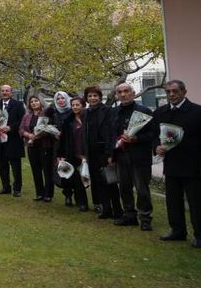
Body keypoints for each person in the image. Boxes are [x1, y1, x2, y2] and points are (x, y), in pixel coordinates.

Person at [154, 79, 201, 248]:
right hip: (171, 165)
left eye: (175, 91)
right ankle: (177, 231)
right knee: (173, 201)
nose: (171, 95)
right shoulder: (160, 113)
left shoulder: (197, 111)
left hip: (193, 165)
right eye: (168, 92)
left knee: (196, 203)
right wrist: (156, 147)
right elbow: (154, 136)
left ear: (184, 92)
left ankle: (199, 235)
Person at [111, 82, 156, 230]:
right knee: (124, 187)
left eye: (126, 91)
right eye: (120, 92)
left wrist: (136, 139)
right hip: (120, 155)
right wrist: (110, 153)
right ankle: (129, 215)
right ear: (117, 95)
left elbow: (153, 134)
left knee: (142, 189)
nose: (123, 94)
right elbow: (109, 134)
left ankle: (145, 218)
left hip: (139, 156)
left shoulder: (145, 111)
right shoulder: (114, 112)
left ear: (133, 93)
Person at [83, 85, 121, 220]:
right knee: (98, 182)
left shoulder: (108, 111)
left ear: (100, 97)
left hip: (104, 151)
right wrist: (85, 153)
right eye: (90, 96)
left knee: (110, 181)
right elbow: (84, 134)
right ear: (86, 98)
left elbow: (112, 133)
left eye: (95, 96)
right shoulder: (85, 112)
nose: (92, 98)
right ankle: (106, 209)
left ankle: (118, 211)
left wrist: (110, 154)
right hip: (92, 152)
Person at [0, 84, 25, 197]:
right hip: (0, 141)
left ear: (11, 93)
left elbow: (22, 120)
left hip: (14, 140)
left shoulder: (18, 105)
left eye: (7, 91)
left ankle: (17, 189)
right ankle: (6, 187)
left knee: (15, 167)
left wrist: (10, 128)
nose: (4, 92)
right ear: (0, 92)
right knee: (2, 166)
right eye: (2, 91)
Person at [57, 96, 90, 211]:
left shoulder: (89, 118)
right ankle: (82, 203)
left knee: (91, 180)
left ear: (83, 105)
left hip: (87, 154)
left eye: (77, 105)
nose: (75, 107)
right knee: (76, 180)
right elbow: (63, 139)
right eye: (73, 105)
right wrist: (60, 155)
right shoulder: (68, 121)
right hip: (73, 154)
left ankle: (98, 204)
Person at [20, 94, 55, 202]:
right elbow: (20, 129)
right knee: (36, 171)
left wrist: (42, 134)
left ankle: (48, 194)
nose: (34, 103)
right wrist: (28, 135)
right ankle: (39, 193)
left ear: (40, 102)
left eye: (36, 101)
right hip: (32, 146)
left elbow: (52, 129)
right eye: (32, 102)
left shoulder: (47, 114)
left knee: (47, 171)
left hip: (45, 146)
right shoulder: (27, 116)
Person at [47, 92, 74, 206]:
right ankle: (67, 195)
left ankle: (79, 196)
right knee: (63, 170)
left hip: (73, 144)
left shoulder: (73, 111)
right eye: (58, 99)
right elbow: (46, 126)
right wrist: (53, 133)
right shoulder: (53, 113)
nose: (61, 100)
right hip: (59, 146)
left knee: (75, 171)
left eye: (63, 98)